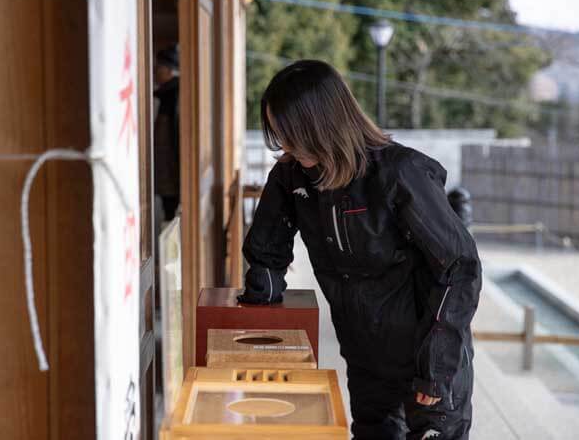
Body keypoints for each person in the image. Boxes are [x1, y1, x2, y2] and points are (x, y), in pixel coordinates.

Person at [238, 60, 481, 440]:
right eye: (278, 133)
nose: (285, 144)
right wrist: (260, 301)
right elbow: (267, 249)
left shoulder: (399, 174)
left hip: (428, 359)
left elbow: (459, 268)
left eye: (291, 133)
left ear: (321, 124)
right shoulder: (293, 176)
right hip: (365, 357)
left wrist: (436, 366)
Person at [153, 45, 180, 221]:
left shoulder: (173, 94)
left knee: (170, 213)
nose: (155, 72)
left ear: (169, 70)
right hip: (168, 168)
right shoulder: (164, 93)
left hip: (171, 167)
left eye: (158, 68)